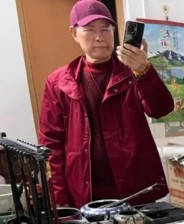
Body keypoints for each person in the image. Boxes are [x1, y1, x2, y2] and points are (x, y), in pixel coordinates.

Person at [39, 0, 173, 209]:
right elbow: (50, 145)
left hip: (135, 188)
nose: (100, 37)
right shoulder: (59, 82)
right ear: (74, 33)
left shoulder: (132, 70)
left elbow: (161, 109)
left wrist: (144, 70)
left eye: (106, 29)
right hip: (85, 193)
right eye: (90, 29)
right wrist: (60, 199)